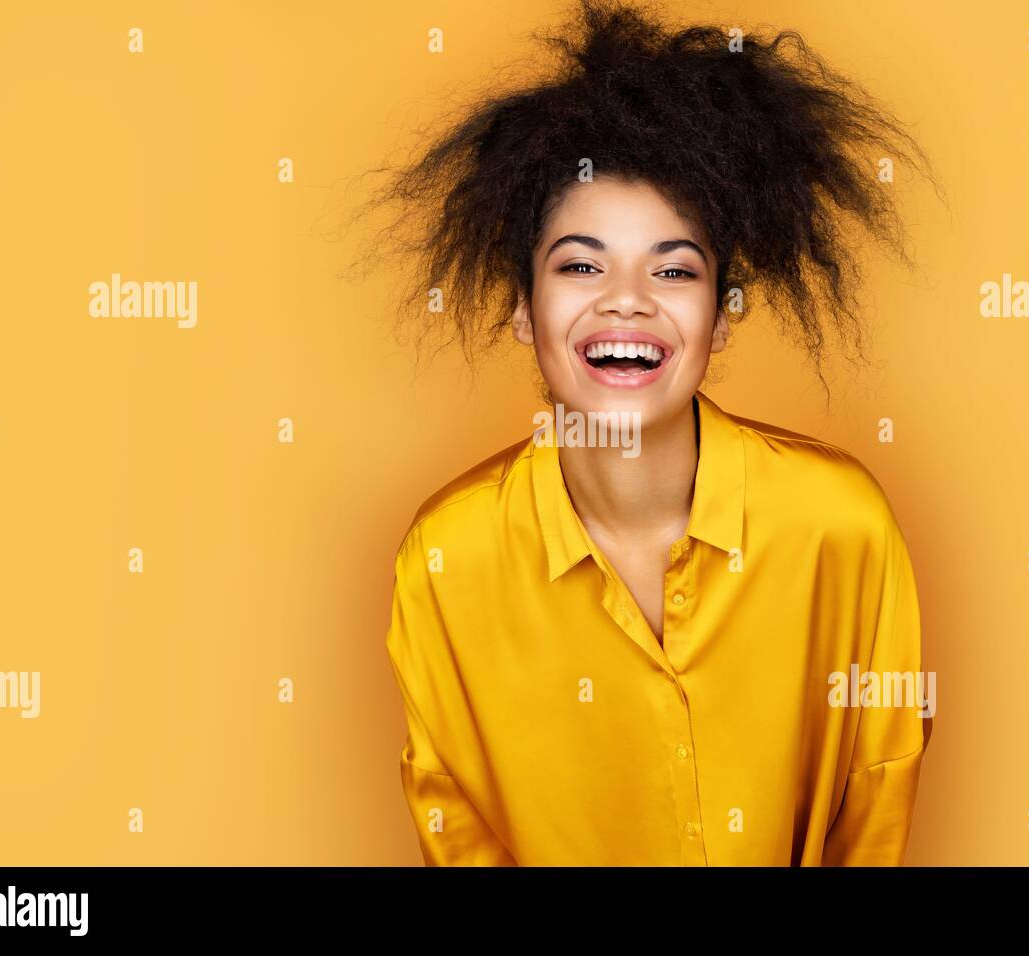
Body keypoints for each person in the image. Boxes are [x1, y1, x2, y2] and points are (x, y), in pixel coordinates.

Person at [361, 0, 939, 865]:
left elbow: (876, 804)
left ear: (722, 315)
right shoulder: (445, 563)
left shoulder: (841, 529)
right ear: (522, 308)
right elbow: (458, 828)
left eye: (673, 268)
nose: (626, 299)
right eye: (582, 265)